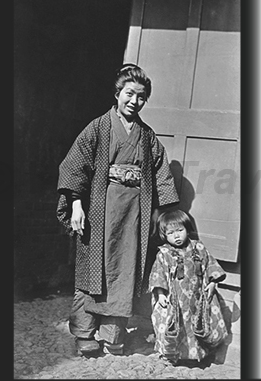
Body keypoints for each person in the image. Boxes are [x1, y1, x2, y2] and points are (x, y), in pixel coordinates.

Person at [56, 63, 179, 356]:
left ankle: (112, 334)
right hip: (100, 206)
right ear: (118, 93)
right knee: (92, 269)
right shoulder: (97, 127)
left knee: (124, 269)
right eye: (129, 94)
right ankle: (85, 332)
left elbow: (161, 174)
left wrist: (166, 217)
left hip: (133, 213)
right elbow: (76, 166)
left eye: (141, 97)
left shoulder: (147, 137)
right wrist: (76, 204)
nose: (134, 101)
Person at [149, 209, 227, 364]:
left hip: (196, 298)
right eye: (171, 233)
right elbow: (158, 274)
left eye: (180, 230)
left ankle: (197, 355)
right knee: (173, 326)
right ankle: (172, 356)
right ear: (165, 235)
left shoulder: (198, 248)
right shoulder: (164, 253)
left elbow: (210, 265)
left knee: (197, 325)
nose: (176, 236)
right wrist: (161, 293)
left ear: (187, 228)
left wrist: (212, 283)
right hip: (175, 300)